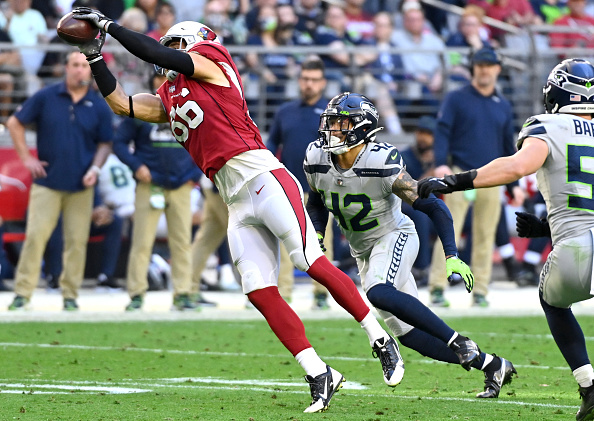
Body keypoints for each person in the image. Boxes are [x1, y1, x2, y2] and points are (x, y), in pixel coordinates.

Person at [71, 11, 408, 412]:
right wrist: (95, 57)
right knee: (258, 290)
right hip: (233, 196)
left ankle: (379, 336)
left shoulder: (213, 60)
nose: (166, 55)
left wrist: (109, 26)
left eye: (173, 46)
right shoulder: (169, 95)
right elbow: (122, 104)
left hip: (264, 177)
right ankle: (319, 372)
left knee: (308, 260)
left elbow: (156, 54)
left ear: (191, 41)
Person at [304, 92, 516, 400]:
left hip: (394, 235)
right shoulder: (317, 157)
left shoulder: (380, 161)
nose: (332, 130)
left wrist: (452, 255)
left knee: (377, 291)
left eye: (341, 123)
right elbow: (318, 201)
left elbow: (434, 207)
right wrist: (318, 234)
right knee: (411, 336)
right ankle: (492, 364)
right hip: (363, 250)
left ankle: (457, 341)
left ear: (361, 128)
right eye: (331, 122)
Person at [417, 57, 594, 421]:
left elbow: (516, 166)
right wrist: (547, 227)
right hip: (582, 234)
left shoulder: (549, 125)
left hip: (577, 246)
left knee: (553, 301)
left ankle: (589, 385)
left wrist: (453, 181)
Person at [7, 50, 112, 311]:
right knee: (35, 238)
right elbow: (14, 123)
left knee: (76, 242)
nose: (80, 70)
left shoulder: (98, 104)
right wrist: (26, 159)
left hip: (82, 185)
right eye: (75, 65)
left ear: (90, 71)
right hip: (47, 183)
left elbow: (105, 143)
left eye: (84, 66)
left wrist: (96, 169)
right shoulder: (46, 97)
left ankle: (70, 295)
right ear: (66, 68)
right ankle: (23, 293)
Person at [427, 46, 524, 308]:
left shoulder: (502, 104)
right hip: (460, 174)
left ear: (497, 69)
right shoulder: (456, 98)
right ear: (474, 68)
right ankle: (437, 286)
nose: (484, 69)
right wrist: (440, 165)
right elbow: (442, 131)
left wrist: (514, 183)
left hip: (491, 177)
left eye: (488, 65)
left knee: (486, 235)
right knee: (449, 232)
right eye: (479, 65)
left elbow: (508, 146)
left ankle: (480, 290)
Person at [112, 73, 202, 311]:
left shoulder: (188, 107)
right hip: (149, 183)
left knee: (182, 241)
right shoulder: (141, 109)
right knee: (142, 240)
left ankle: (183, 293)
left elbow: (203, 140)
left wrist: (194, 175)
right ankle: (136, 293)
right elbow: (119, 142)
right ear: (151, 85)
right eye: (159, 83)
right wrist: (137, 166)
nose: (164, 87)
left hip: (181, 184)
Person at [267, 55, 330, 308]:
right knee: (285, 240)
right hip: (289, 186)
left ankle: (322, 294)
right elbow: (272, 142)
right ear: (299, 80)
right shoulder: (285, 112)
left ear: (323, 83)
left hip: (320, 189)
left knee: (321, 242)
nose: (309, 84)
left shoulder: (330, 113)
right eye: (305, 79)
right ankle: (284, 292)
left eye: (314, 80)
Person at [400, 116, 437, 287]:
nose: (423, 137)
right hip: (406, 206)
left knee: (467, 218)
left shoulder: (441, 157)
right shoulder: (405, 156)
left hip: (433, 207)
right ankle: (422, 269)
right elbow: (409, 190)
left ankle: (460, 268)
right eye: (421, 132)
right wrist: (430, 170)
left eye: (428, 134)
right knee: (420, 216)